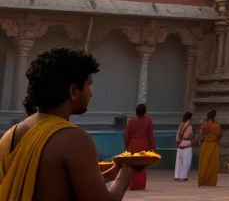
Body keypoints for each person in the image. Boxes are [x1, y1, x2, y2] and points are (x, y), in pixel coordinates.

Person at [0, 47, 138, 201]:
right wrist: (126, 173)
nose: (91, 92)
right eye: (89, 84)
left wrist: (104, 178)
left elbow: (48, 185)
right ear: (73, 91)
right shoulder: (74, 140)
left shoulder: (10, 135)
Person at [122, 104, 154, 191]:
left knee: (132, 165)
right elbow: (150, 135)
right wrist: (153, 148)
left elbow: (127, 135)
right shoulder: (148, 120)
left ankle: (132, 185)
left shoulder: (131, 121)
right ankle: (140, 185)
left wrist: (127, 146)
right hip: (144, 144)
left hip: (133, 144)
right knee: (142, 165)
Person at [197, 109, 222, 187]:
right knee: (212, 164)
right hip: (213, 145)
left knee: (204, 163)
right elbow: (219, 135)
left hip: (205, 145)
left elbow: (200, 134)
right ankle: (211, 181)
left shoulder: (204, 125)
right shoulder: (216, 126)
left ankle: (202, 180)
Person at [174, 111, 195, 182]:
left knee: (180, 161)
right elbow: (187, 136)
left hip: (180, 144)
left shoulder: (182, 125)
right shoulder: (189, 126)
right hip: (187, 144)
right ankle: (183, 177)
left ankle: (179, 175)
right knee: (186, 161)